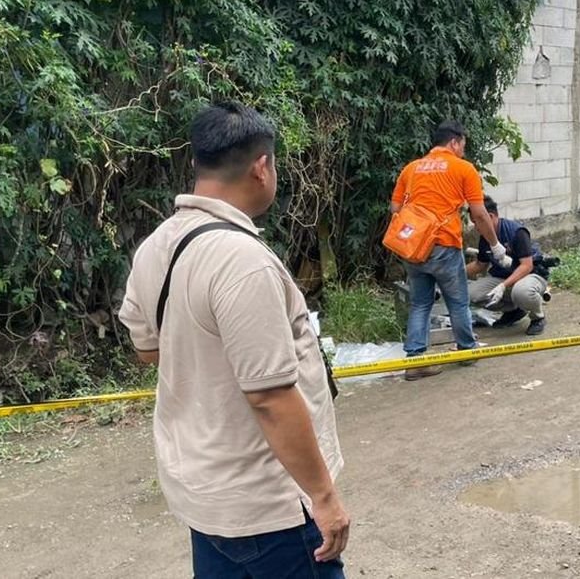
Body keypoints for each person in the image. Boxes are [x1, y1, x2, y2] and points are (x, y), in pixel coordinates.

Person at [118, 102, 350, 577]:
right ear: (261, 167)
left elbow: (148, 351)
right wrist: (324, 497)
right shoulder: (243, 262)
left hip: (205, 496)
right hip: (269, 507)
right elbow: (269, 396)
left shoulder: (155, 246)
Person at [390, 119, 509, 380]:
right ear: (454, 142)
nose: (463, 150)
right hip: (444, 244)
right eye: (462, 145)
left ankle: (415, 360)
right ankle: (467, 351)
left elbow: (395, 210)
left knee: (420, 303)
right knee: (457, 301)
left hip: (413, 246)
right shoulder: (463, 168)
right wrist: (495, 245)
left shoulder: (411, 169)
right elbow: (478, 214)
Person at [466, 196, 550, 336]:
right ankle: (514, 311)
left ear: (490, 216)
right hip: (504, 278)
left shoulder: (516, 231)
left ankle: (538, 317)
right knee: (471, 294)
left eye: (477, 222)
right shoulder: (485, 237)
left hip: (530, 276)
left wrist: (503, 286)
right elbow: (480, 265)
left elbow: (527, 266)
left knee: (522, 291)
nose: (475, 227)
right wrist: (452, 273)